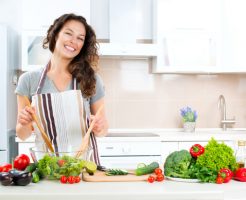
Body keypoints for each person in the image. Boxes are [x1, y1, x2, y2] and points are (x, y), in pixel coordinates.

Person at [15, 13, 108, 164]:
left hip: (83, 170)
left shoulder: (92, 80)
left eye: (80, 38)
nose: (74, 41)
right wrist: (24, 123)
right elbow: (23, 134)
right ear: (55, 34)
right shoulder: (28, 80)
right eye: (68, 33)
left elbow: (103, 129)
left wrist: (100, 127)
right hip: (47, 169)